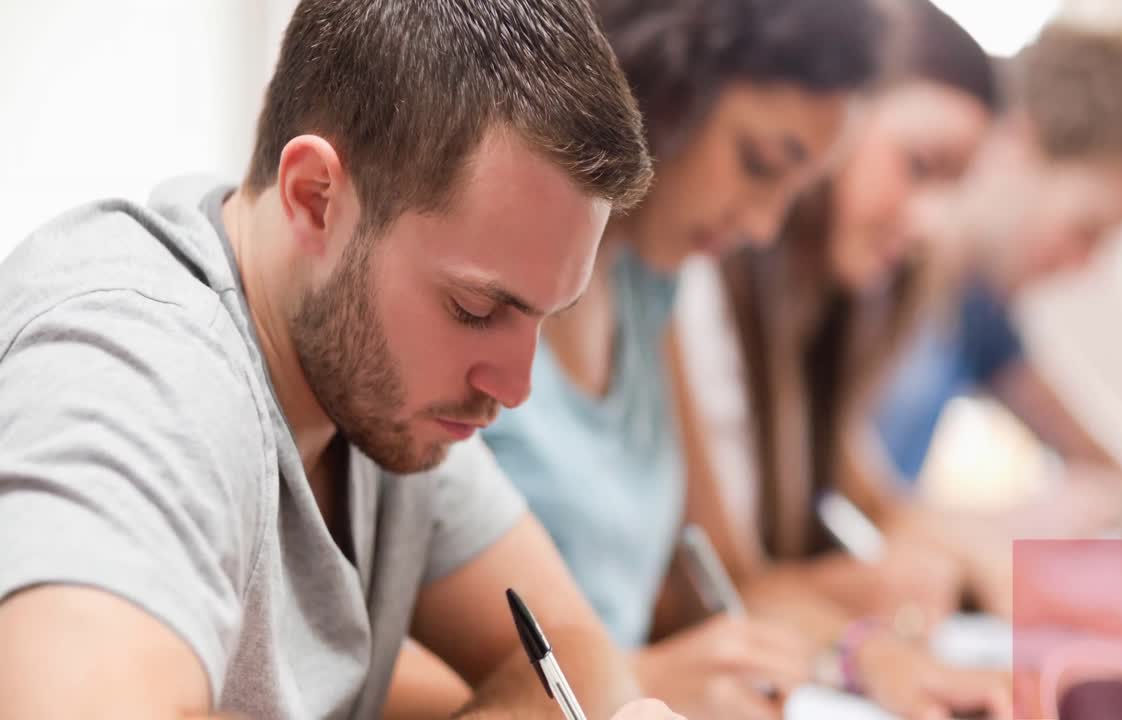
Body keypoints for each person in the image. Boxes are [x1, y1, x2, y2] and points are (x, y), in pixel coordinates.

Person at [0, 2, 683, 719]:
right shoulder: (131, 377)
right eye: (478, 311)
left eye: (547, 317)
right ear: (315, 198)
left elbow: (572, 654)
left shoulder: (378, 391)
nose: (514, 389)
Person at [473, 0, 882, 718]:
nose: (763, 226)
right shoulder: (476, 286)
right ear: (659, 86)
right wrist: (636, 680)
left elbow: (726, 577)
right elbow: (376, 660)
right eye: (758, 164)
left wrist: (861, 659)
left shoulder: (645, 283)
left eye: (794, 191)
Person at [668, 1, 1012, 717]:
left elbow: (878, 498)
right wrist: (859, 628)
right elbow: (717, 583)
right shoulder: (692, 287)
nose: (930, 223)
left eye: (953, 187)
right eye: (918, 166)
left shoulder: (817, 315)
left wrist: (983, 571)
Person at [875, 23, 1122, 499]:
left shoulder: (976, 311)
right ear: (1018, 144)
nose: (1084, 265)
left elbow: (1089, 450)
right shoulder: (871, 266)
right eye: (1086, 229)